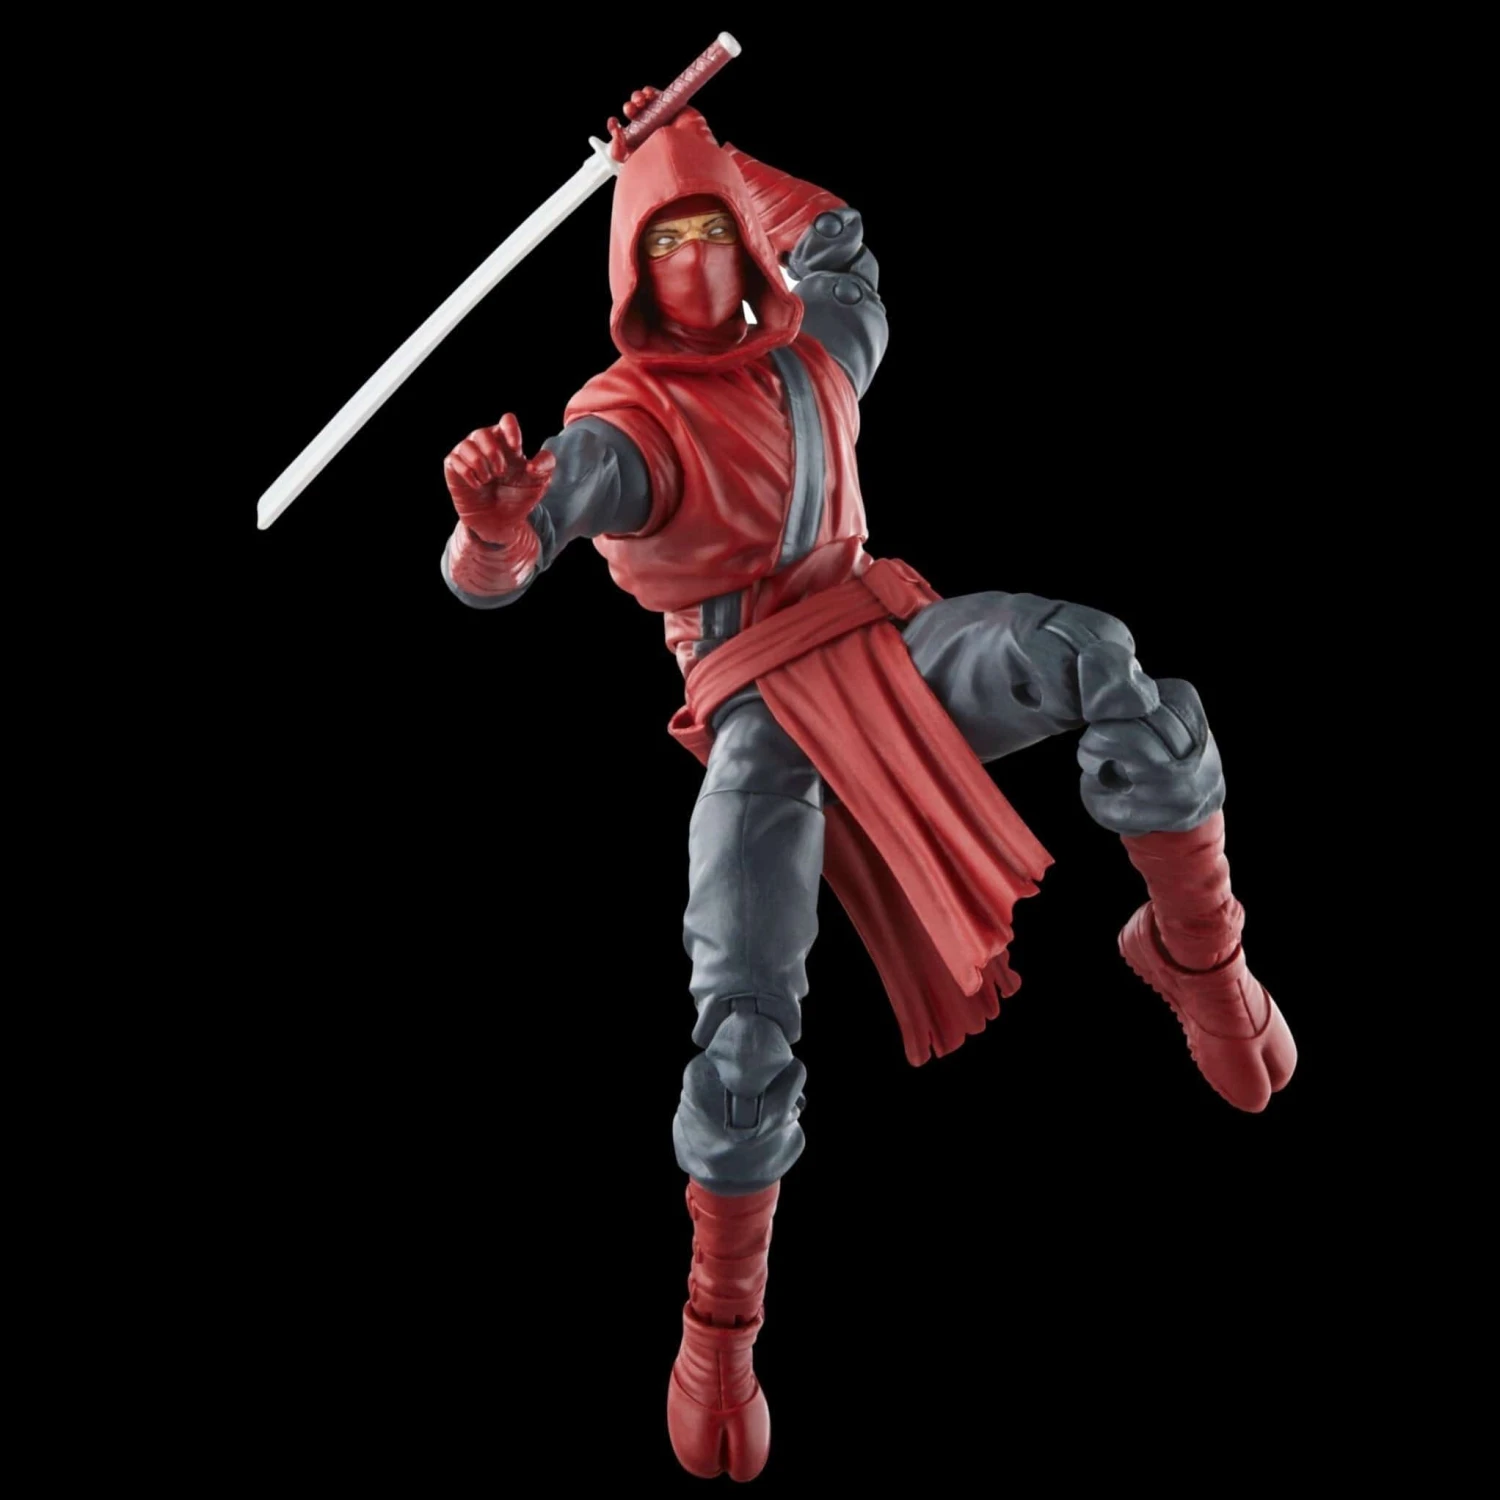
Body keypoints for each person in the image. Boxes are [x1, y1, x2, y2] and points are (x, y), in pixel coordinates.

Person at [438, 87, 1296, 1483]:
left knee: (1099, 658)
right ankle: (720, 1324)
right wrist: (493, 525)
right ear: (637, 274)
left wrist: (691, 140)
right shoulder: (629, 425)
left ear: (741, 243)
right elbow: (525, 541)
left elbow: (838, 239)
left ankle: (1200, 954)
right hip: (761, 715)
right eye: (668, 243)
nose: (700, 262)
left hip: (891, 646)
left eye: (716, 233)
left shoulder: (815, 352)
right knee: (742, 1023)